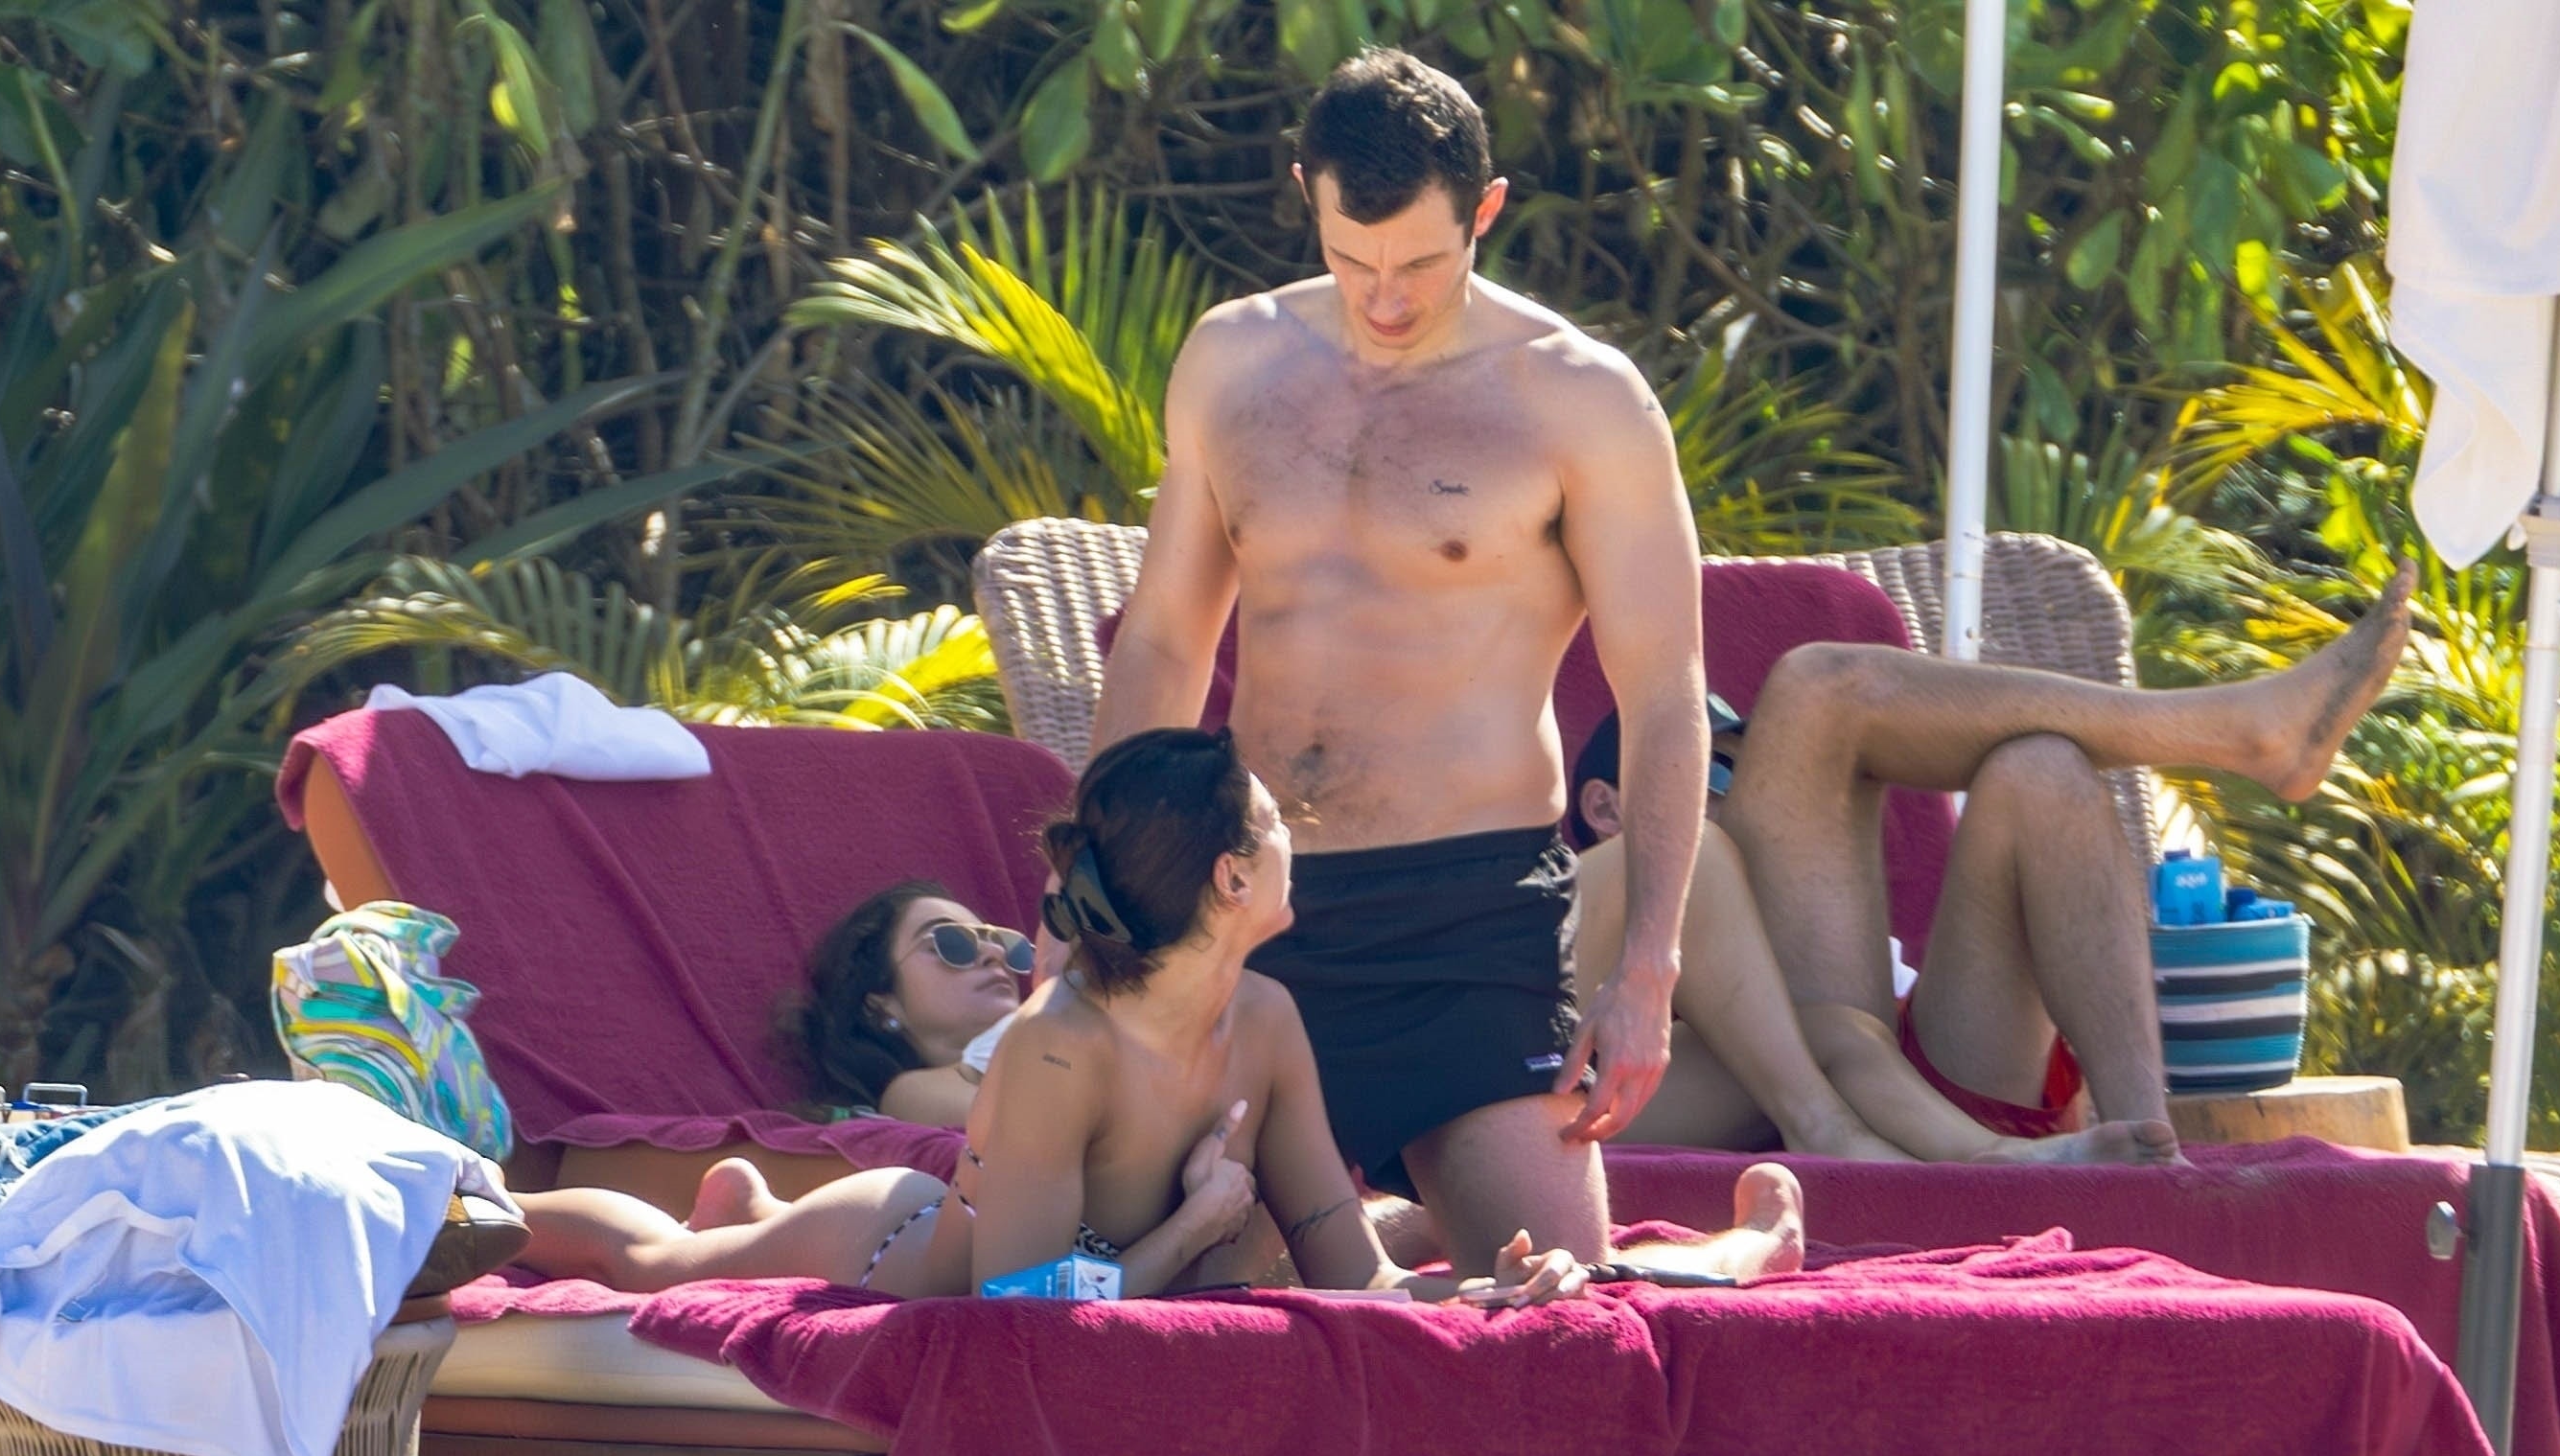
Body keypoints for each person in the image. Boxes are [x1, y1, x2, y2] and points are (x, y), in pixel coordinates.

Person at [1090, 49, 1708, 1276]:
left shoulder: (1580, 398)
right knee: (1192, 1287)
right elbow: (1164, 640)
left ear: (1486, 210)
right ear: (1305, 195)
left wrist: (1648, 964)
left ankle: (1432, 1229)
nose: (1384, 299)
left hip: (1467, 921)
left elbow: (1665, 693)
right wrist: (1090, 889)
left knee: (1550, 1299)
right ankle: (1365, 1231)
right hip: (1250, 901)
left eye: (1421, 264)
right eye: (1351, 259)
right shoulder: (1233, 360)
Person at [510, 729, 1807, 1301]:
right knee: (659, 1265)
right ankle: (482, 1209)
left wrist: (1469, 1293)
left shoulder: (1267, 1017)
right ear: (1233, 879)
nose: (1300, 835)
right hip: (895, 1245)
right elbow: (1017, 1297)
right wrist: (1192, 1222)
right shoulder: (1053, 1046)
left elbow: (1344, 1266)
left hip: (1150, 1258)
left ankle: (737, 1204)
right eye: (1276, 822)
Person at [1711, 563, 2418, 1149]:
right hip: (1772, 1074)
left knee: (2040, 770)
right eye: (1721, 765)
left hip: (1916, 1053)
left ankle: (2147, 1148)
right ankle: (2236, 731)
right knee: (1815, 689)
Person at [1565, 706, 2175, 1163]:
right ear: (1606, 808)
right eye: (1718, 773)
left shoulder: (1752, 914)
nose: (1749, 802)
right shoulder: (1579, 899)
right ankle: (1834, 1131)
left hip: (1853, 1075)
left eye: (1754, 779)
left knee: (1843, 1030)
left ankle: (1993, 1157)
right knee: (1692, 848)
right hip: (1579, 1093)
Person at [790, 881, 1033, 1129]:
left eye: (1004, 944)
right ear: (882, 1004)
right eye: (953, 943)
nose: (995, 953)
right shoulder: (909, 1096)